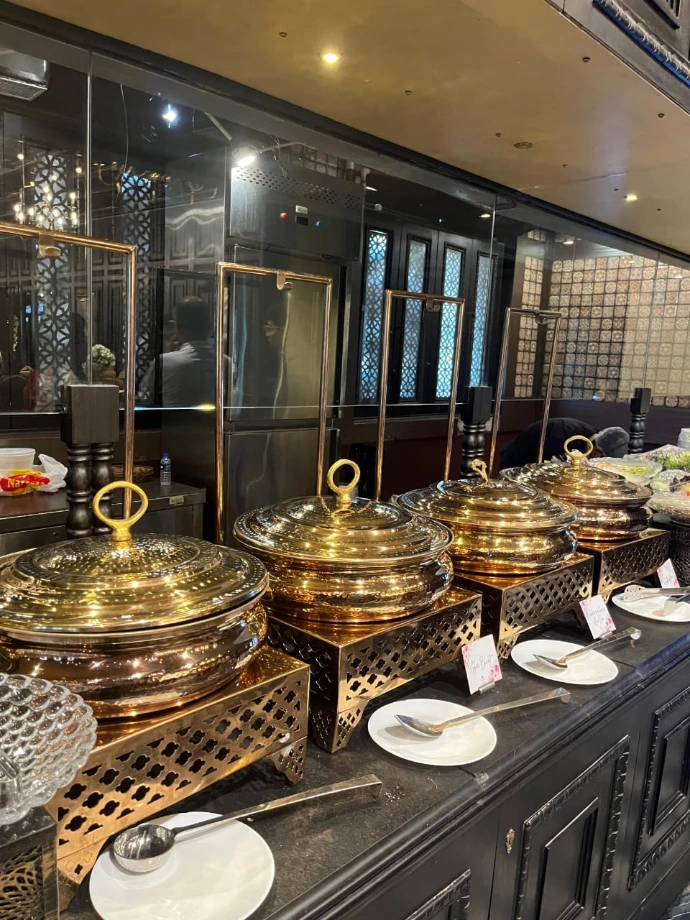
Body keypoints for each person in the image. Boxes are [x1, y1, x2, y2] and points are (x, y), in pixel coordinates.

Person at [139, 297, 221, 408]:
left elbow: (145, 396)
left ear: (177, 328)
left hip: (172, 419)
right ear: (210, 327)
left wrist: (167, 353)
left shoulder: (163, 362)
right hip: (216, 420)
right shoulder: (226, 363)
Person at [499, 418, 630, 469]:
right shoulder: (560, 435)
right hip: (517, 462)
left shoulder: (595, 438)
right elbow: (545, 469)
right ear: (596, 452)